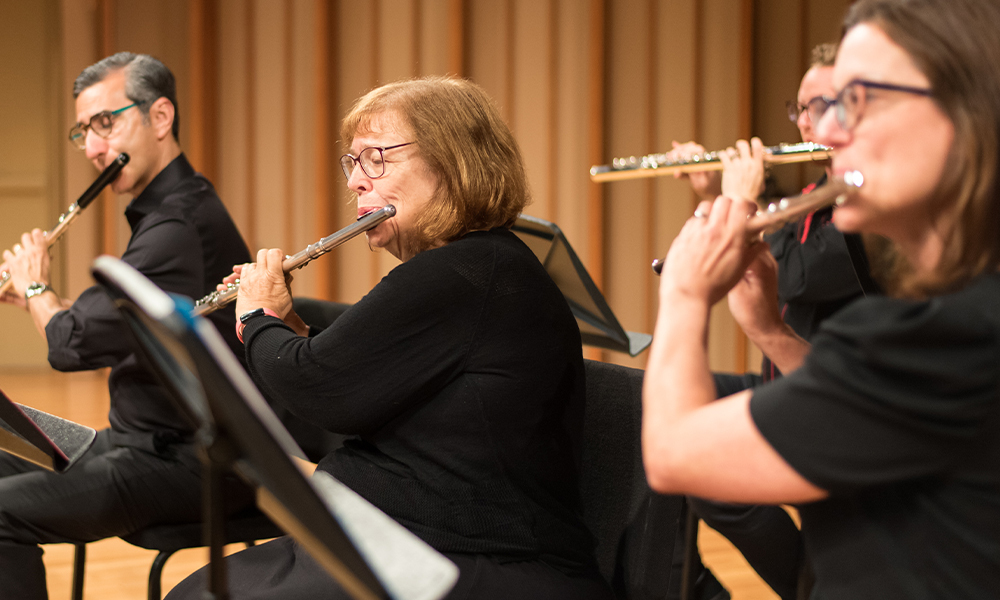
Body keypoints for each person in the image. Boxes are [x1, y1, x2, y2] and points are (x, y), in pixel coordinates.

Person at [166, 76, 614, 600]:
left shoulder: (468, 272)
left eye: (376, 158)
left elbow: (318, 389)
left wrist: (257, 317)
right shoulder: (463, 267)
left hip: (471, 563)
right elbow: (354, 386)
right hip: (392, 539)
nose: (357, 181)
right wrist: (287, 324)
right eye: (352, 163)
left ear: (453, 163)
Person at [643, 0, 1000, 597]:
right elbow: (872, 407)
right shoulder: (959, 320)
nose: (828, 131)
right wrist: (768, 329)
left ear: (962, 114)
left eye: (858, 100)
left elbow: (674, 454)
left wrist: (683, 291)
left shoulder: (944, 335)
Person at [0, 52, 254, 598]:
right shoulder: (171, 215)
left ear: (160, 117)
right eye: (84, 131)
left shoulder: (177, 227)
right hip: (134, 443)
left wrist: (38, 287)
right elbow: (122, 324)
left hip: (186, 463)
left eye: (105, 123)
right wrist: (36, 300)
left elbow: (70, 347)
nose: (92, 148)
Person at [666, 44, 869, 600]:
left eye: (822, 104)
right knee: (667, 427)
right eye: (800, 108)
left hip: (834, 402)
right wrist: (717, 195)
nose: (806, 122)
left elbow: (798, 273)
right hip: (780, 381)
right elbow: (771, 238)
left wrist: (740, 199)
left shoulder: (866, 206)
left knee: (698, 456)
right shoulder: (808, 197)